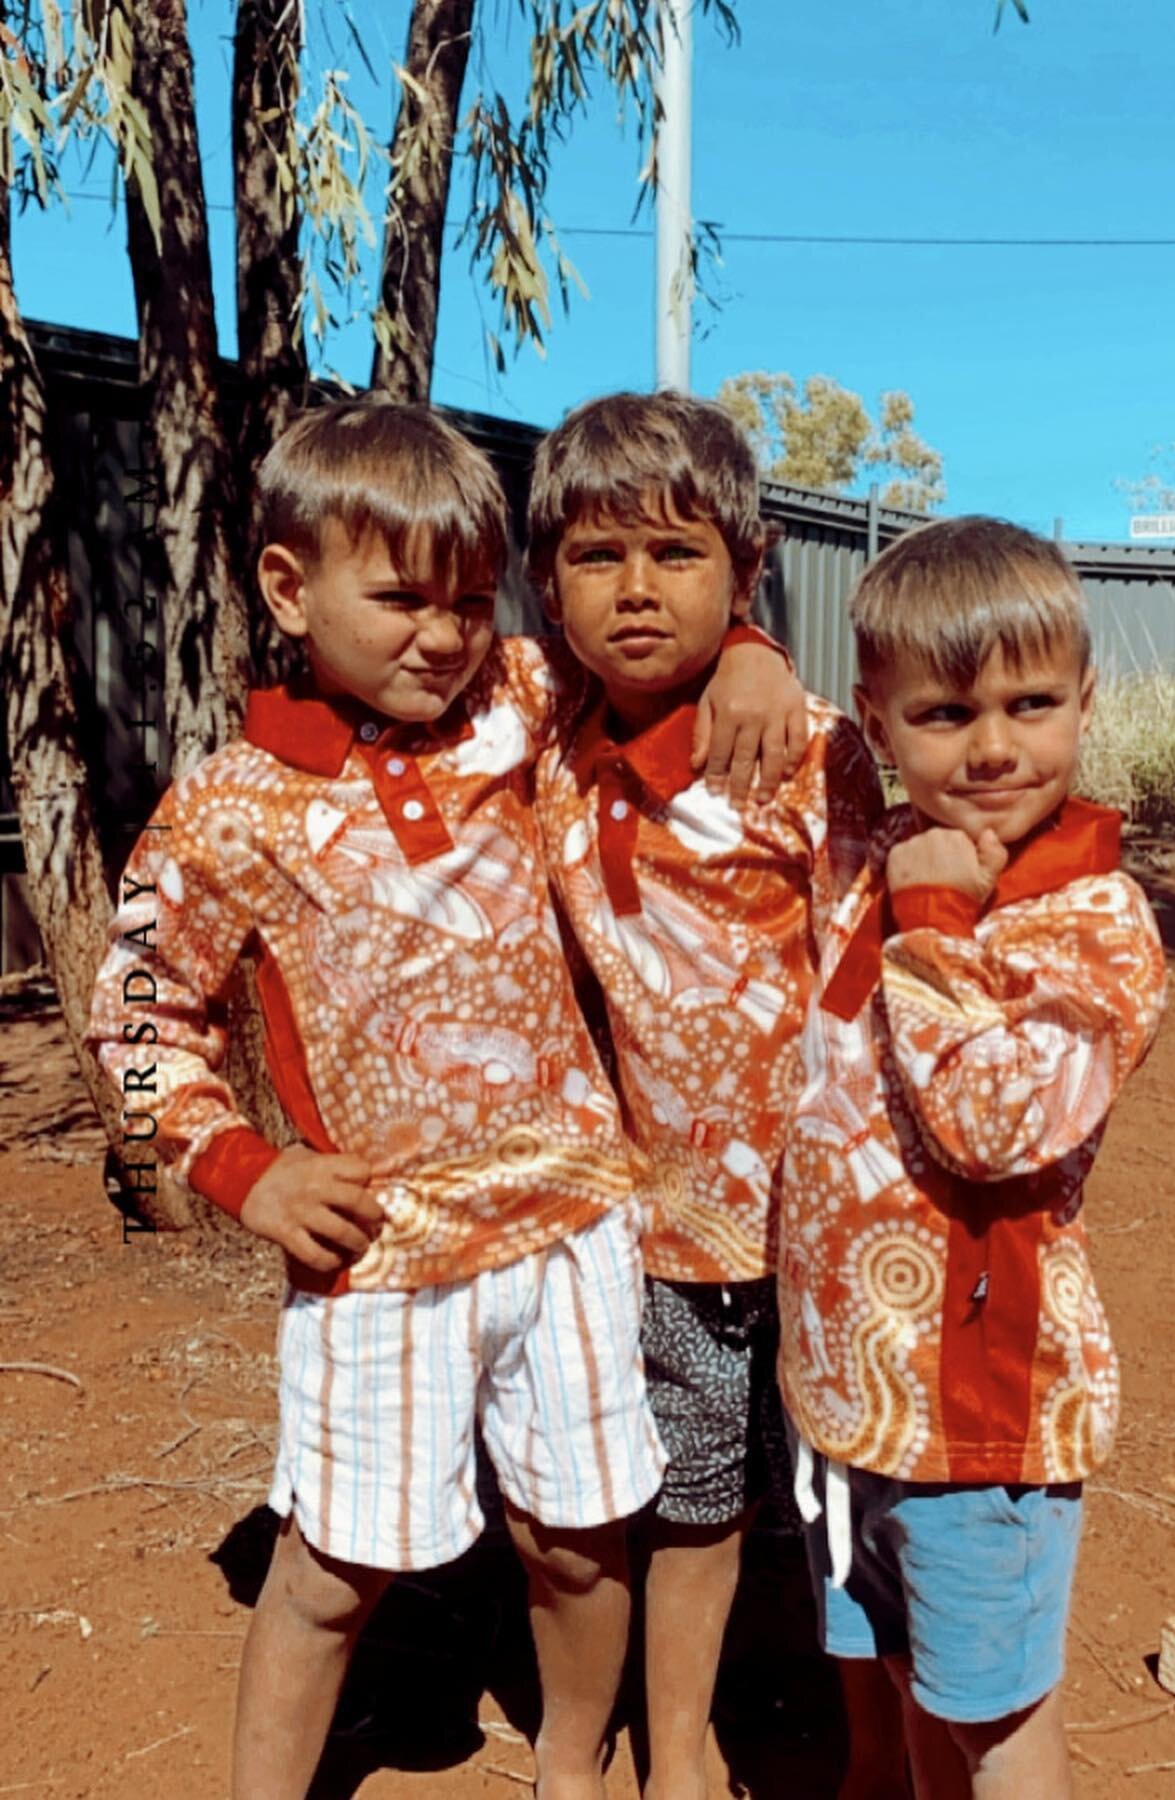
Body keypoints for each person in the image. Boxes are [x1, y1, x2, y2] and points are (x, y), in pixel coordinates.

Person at [85, 399, 800, 1800]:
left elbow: (641, 650)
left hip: (579, 1224)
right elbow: (137, 1006)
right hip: (383, 1252)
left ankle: (573, 1765)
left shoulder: (519, 707)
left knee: (581, 1538)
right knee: (334, 1568)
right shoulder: (231, 811)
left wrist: (760, 653)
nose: (444, 634)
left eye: (472, 600)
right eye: (401, 598)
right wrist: (245, 1172)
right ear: (290, 590)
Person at [524, 390, 884, 1800]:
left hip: (830, 1218)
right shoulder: (544, 741)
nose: (633, 592)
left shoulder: (809, 751)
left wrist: (754, 652)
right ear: (546, 580)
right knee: (696, 1505)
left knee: (855, 1508)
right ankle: (676, 1757)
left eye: (677, 557)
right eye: (597, 557)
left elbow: (871, 962)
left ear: (749, 563)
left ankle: (876, 1761)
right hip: (668, 1229)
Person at [778, 516, 1168, 1800]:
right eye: (946, 713)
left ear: (1086, 701)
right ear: (879, 724)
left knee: (998, 1730)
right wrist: (738, 650)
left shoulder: (1099, 921)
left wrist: (936, 921)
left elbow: (995, 1124)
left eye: (1033, 702)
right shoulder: (882, 850)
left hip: (976, 1423)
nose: (995, 745)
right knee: (908, 1684)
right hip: (851, 1400)